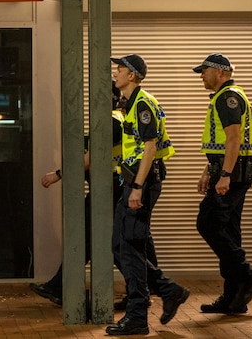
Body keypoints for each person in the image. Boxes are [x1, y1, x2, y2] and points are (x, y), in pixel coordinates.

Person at [107, 54, 190, 336]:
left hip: (140, 185)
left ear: (132, 75)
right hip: (133, 183)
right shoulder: (132, 104)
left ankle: (138, 316)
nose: (115, 74)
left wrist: (138, 188)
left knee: (128, 248)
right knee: (120, 246)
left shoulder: (142, 104)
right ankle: (168, 290)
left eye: (119, 70)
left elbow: (150, 148)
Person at [29, 82, 126, 306]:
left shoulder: (110, 121)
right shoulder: (111, 119)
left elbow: (91, 159)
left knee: (109, 244)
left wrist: (59, 174)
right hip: (107, 189)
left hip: (108, 191)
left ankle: (149, 287)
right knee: (91, 242)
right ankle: (59, 286)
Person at [192, 53, 252, 315]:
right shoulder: (224, 96)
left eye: (204, 70)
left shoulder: (228, 97)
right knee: (230, 232)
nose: (201, 75)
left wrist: (223, 175)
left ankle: (248, 276)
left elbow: (233, 139)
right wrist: (208, 171)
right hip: (231, 172)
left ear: (219, 72)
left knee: (208, 223)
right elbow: (222, 144)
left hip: (232, 176)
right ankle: (234, 298)